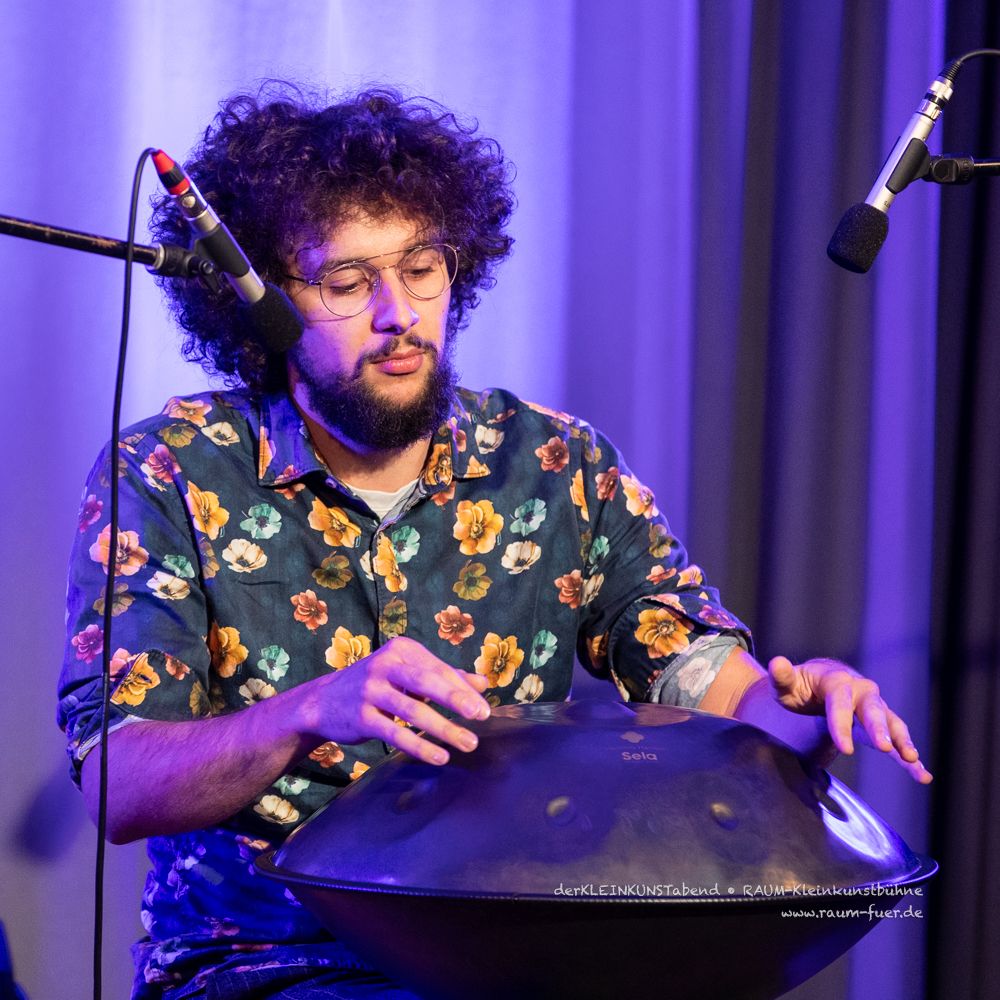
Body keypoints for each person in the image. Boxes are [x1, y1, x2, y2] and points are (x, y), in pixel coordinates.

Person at [57, 84, 931, 1000]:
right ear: (262, 303)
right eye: (348, 283)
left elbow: (709, 688)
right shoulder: (168, 472)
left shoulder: (557, 462)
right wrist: (309, 711)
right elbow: (120, 782)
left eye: (423, 269)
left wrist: (804, 717)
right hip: (269, 963)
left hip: (510, 953)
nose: (398, 314)